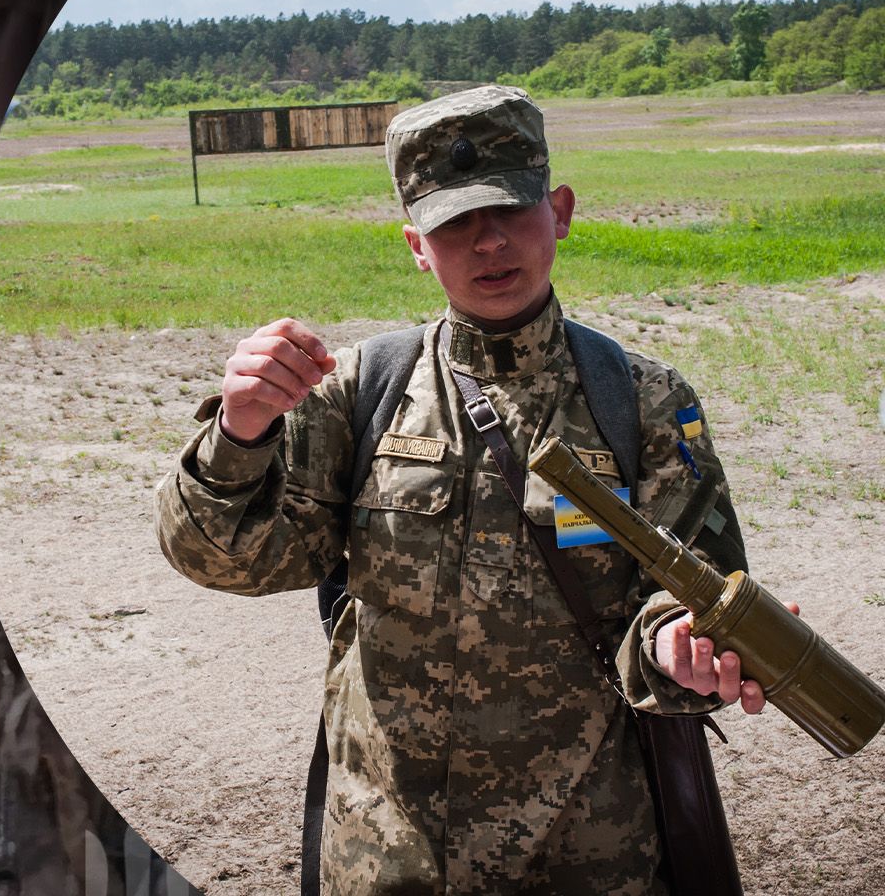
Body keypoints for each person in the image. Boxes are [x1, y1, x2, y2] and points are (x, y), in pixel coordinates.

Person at [155, 85, 779, 895]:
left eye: (510, 211)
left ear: (558, 211)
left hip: (591, 850)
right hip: (389, 851)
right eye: (454, 222)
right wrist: (240, 432)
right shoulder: (358, 391)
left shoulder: (645, 400)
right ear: (417, 244)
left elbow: (689, 593)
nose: (487, 242)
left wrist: (676, 646)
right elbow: (234, 563)